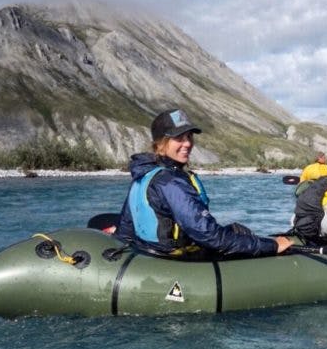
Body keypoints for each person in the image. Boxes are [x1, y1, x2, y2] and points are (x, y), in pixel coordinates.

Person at [116, 108, 292, 259]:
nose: (187, 144)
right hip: (176, 260)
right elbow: (209, 235)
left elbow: (125, 230)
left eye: (189, 136)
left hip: (151, 255)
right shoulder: (170, 182)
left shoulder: (143, 174)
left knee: (236, 230)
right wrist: (272, 246)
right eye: (179, 138)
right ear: (161, 143)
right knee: (240, 234)